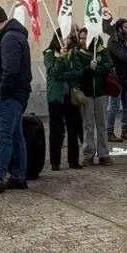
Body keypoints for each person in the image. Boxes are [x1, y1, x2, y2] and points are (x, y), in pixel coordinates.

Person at [0, 5, 32, 195]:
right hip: (14, 96)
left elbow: (10, 71)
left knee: (3, 137)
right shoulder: (11, 36)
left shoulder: (9, 38)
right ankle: (18, 176)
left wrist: (1, 93)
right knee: (16, 136)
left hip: (9, 97)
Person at [45, 30, 85, 171]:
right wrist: (61, 58)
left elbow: (79, 71)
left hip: (71, 95)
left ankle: (73, 160)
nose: (67, 40)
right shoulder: (49, 54)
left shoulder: (73, 53)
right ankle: (55, 161)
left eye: (68, 37)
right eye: (64, 37)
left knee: (72, 129)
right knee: (56, 130)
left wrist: (64, 75)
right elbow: (54, 73)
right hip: (56, 97)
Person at [77, 26, 114, 166]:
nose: (82, 40)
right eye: (81, 38)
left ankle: (104, 154)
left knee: (102, 124)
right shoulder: (78, 52)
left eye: (85, 38)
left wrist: (96, 69)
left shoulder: (101, 50)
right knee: (88, 125)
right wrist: (88, 68)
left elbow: (109, 65)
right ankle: (88, 154)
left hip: (100, 92)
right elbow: (78, 71)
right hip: (86, 93)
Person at [106, 17, 127, 141]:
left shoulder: (123, 40)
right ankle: (109, 132)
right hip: (117, 78)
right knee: (113, 106)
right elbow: (124, 58)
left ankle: (124, 131)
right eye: (126, 27)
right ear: (120, 28)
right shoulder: (113, 41)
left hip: (126, 77)